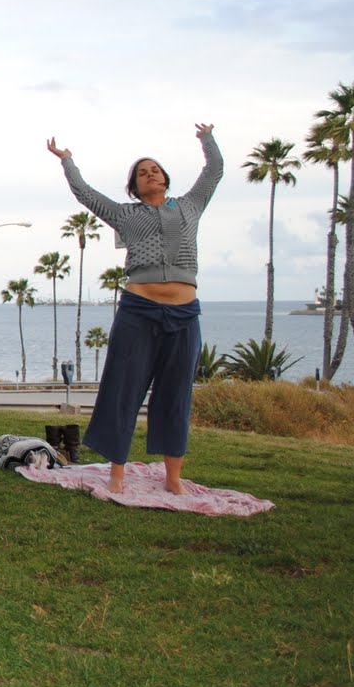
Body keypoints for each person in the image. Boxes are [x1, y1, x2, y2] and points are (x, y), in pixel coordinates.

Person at [46, 125, 222, 494]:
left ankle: (173, 479)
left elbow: (214, 170)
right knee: (123, 388)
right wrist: (68, 161)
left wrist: (206, 138)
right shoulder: (126, 215)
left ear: (165, 178)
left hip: (185, 313)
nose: (150, 174)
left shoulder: (190, 206)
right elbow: (85, 195)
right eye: (142, 173)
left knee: (176, 395)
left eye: (154, 169)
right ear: (135, 187)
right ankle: (117, 474)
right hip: (139, 309)